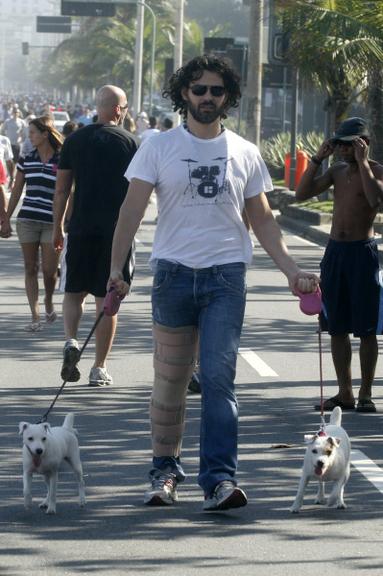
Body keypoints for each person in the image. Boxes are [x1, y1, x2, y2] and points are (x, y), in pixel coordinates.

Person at [108, 55, 318, 511]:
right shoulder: (158, 146)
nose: (207, 97)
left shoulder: (244, 151)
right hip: (172, 275)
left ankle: (219, 480)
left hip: (226, 276)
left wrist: (291, 270)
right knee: (170, 381)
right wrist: (116, 271)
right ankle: (164, 474)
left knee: (220, 380)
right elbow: (130, 211)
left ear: (228, 98)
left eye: (216, 91)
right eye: (198, 89)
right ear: (184, 93)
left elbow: (261, 219)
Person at [296, 117, 383, 414]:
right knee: (336, 327)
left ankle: (366, 394)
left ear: (363, 143)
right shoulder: (336, 171)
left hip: (363, 253)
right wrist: (318, 158)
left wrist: (365, 164)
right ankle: (344, 393)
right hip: (335, 253)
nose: (343, 150)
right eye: (340, 145)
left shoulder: (377, 172)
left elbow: (375, 200)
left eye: (349, 145)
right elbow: (301, 193)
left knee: (367, 328)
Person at [53, 85, 138, 387]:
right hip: (117, 233)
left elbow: (62, 189)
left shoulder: (74, 140)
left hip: (80, 228)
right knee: (107, 298)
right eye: (126, 107)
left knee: (74, 292)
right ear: (118, 110)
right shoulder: (131, 143)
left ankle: (71, 340)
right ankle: (98, 367)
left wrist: (57, 228)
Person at [0, 116, 63, 331]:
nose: (30, 136)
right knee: (30, 268)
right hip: (27, 219)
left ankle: (48, 301)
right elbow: (16, 190)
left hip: (51, 222)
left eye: (33, 133)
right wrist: (6, 218)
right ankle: (35, 316)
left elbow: (68, 192)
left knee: (48, 270)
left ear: (45, 134)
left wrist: (64, 223)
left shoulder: (62, 160)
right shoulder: (26, 158)